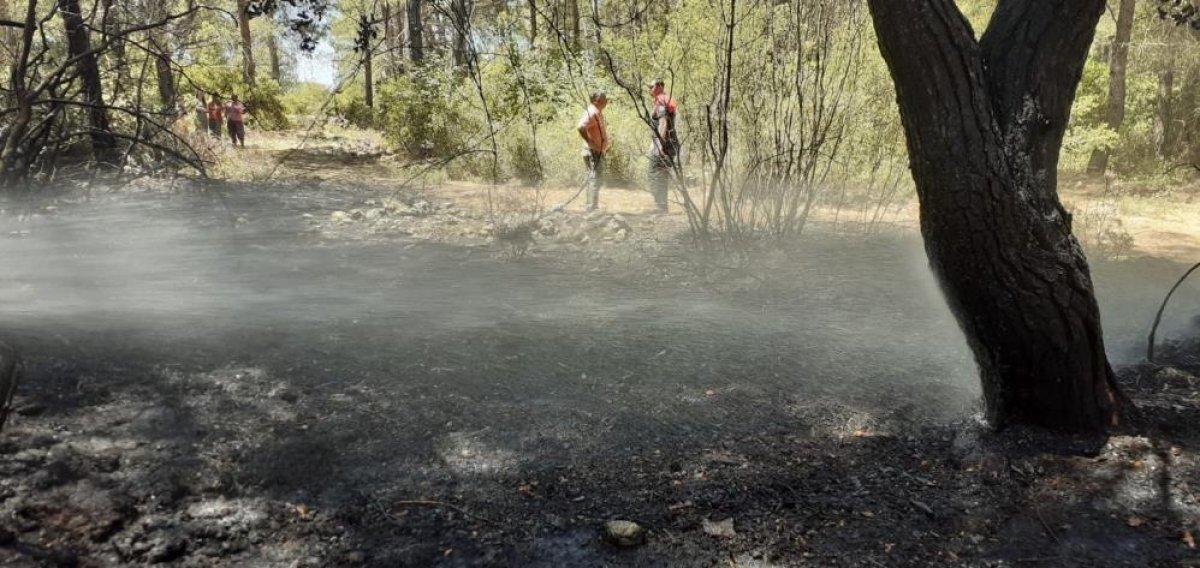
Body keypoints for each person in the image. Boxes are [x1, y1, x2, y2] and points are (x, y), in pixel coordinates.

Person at [647, 78, 679, 214]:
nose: (650, 89)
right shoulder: (663, 99)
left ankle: (660, 207)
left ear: (660, 86)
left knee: (654, 174)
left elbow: (663, 122)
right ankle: (661, 206)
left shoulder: (661, 100)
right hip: (667, 143)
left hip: (663, 144)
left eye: (652, 86)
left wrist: (659, 146)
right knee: (659, 174)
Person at [576, 91, 610, 211]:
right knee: (595, 178)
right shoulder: (592, 111)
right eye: (604, 98)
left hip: (596, 151)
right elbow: (581, 127)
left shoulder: (597, 112)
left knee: (594, 177)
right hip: (592, 151)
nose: (607, 100)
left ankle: (591, 205)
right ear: (597, 100)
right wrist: (591, 143)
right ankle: (591, 206)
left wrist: (604, 145)